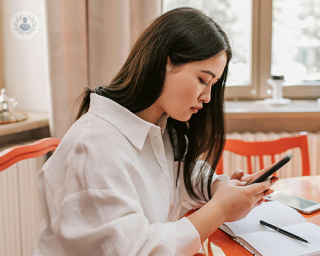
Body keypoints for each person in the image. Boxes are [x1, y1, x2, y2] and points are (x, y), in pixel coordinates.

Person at [33, 7, 277, 256]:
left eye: (213, 85)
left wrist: (219, 188)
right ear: (162, 63)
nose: (207, 97)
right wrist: (220, 209)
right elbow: (135, 250)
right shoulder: (93, 148)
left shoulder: (160, 127)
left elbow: (180, 173)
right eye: (203, 80)